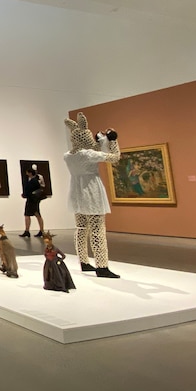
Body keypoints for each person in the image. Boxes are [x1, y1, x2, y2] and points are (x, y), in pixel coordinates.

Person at [63, 112, 121, 278]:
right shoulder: (88, 155)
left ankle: (84, 261)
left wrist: (98, 142)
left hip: (76, 192)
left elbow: (89, 150)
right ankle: (102, 266)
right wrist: (112, 140)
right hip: (92, 191)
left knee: (81, 227)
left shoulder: (68, 156)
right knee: (97, 229)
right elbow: (115, 157)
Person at [19, 166, 45, 238]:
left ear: (30, 173)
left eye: (27, 172)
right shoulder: (34, 180)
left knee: (30, 215)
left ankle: (29, 231)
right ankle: (40, 231)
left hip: (32, 200)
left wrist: (25, 195)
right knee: (35, 214)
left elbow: (29, 190)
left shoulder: (33, 181)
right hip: (34, 200)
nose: (26, 174)